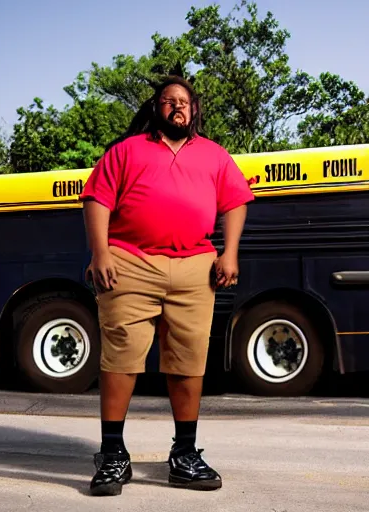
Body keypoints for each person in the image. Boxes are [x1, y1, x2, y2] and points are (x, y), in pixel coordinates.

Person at [80, 75, 255, 496]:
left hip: (195, 265)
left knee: (189, 360)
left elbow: (235, 202)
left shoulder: (214, 155)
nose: (177, 106)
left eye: (184, 101)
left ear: (194, 111)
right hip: (130, 261)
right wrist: (100, 253)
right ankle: (112, 454)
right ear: (156, 108)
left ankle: (185, 454)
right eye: (168, 100)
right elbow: (96, 199)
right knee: (120, 358)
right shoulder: (126, 151)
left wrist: (228, 253)